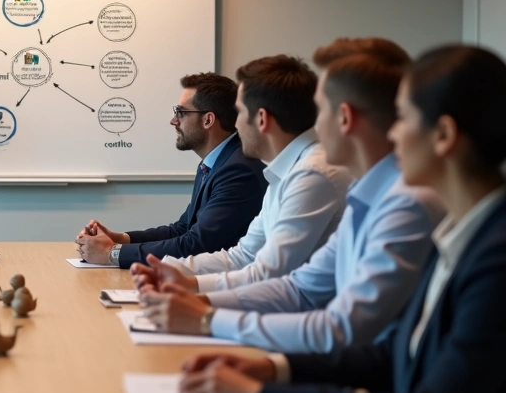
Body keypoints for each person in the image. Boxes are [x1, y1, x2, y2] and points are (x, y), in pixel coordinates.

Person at [176, 45, 506, 393]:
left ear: (443, 135)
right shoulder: (465, 233)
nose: (393, 133)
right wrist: (273, 369)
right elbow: (393, 354)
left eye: (403, 118)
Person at [139, 38, 444, 354]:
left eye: (321, 109)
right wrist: (192, 293)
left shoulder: (342, 181)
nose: (314, 123)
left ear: (344, 118)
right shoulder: (357, 190)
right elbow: (297, 286)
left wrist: (205, 316)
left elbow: (341, 326)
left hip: (350, 365)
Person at [132, 55, 351, 293]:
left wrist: (199, 302)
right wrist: (172, 273)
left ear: (261, 119)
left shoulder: (312, 174)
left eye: (240, 113)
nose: (235, 125)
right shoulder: (287, 171)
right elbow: (243, 256)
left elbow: (270, 274)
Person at [76, 72, 267, 267]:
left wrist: (111, 253)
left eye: (181, 112)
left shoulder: (238, 170)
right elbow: (182, 229)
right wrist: (121, 239)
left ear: (208, 120)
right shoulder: (215, 163)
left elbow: (197, 245)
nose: (173, 121)